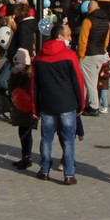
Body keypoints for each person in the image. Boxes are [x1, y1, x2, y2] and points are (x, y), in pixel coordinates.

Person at [32, 16, 85, 184]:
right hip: (67, 103)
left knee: (46, 139)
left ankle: (44, 169)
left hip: (47, 103)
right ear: (60, 36)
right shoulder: (69, 56)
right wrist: (81, 104)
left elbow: (35, 85)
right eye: (67, 35)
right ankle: (69, 174)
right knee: (68, 140)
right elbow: (78, 81)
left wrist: (35, 107)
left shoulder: (39, 58)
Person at [76, 0, 110, 116]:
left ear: (89, 9)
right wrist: (103, 51)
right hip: (101, 53)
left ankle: (93, 107)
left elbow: (83, 40)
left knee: (90, 82)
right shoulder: (106, 21)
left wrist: (80, 56)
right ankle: (87, 104)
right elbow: (107, 40)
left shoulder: (88, 21)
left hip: (89, 54)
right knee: (92, 80)